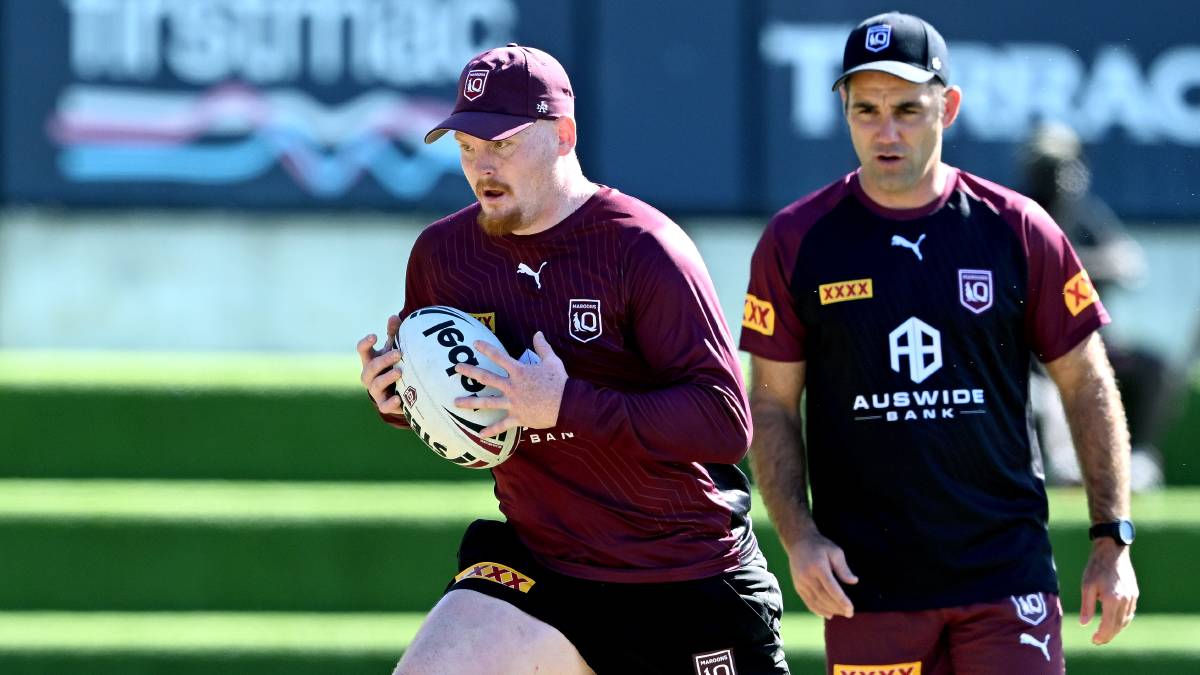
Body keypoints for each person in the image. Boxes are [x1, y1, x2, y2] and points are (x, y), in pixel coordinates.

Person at [358, 44, 788, 675]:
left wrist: (563, 404)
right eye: (467, 146)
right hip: (544, 564)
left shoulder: (643, 247)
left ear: (563, 135)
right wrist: (402, 399)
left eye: (501, 142)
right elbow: (463, 409)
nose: (482, 166)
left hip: (682, 574)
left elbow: (725, 424)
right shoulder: (442, 256)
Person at [740, 13, 1138, 674]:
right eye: (866, 109)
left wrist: (1111, 536)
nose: (886, 130)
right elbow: (773, 403)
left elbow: (1086, 380)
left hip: (1005, 577)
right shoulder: (796, 241)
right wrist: (799, 537)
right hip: (868, 587)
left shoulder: (1017, 228)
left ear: (947, 107)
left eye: (907, 108)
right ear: (843, 108)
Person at [1019, 122, 1168, 490]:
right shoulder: (1019, 211)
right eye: (1047, 168)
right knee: (1049, 392)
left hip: (1090, 342)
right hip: (1031, 354)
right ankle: (1065, 469)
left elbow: (1129, 264)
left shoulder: (1084, 215)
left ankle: (1136, 458)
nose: (1056, 177)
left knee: (1150, 367)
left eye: (1063, 167)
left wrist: (1077, 265)